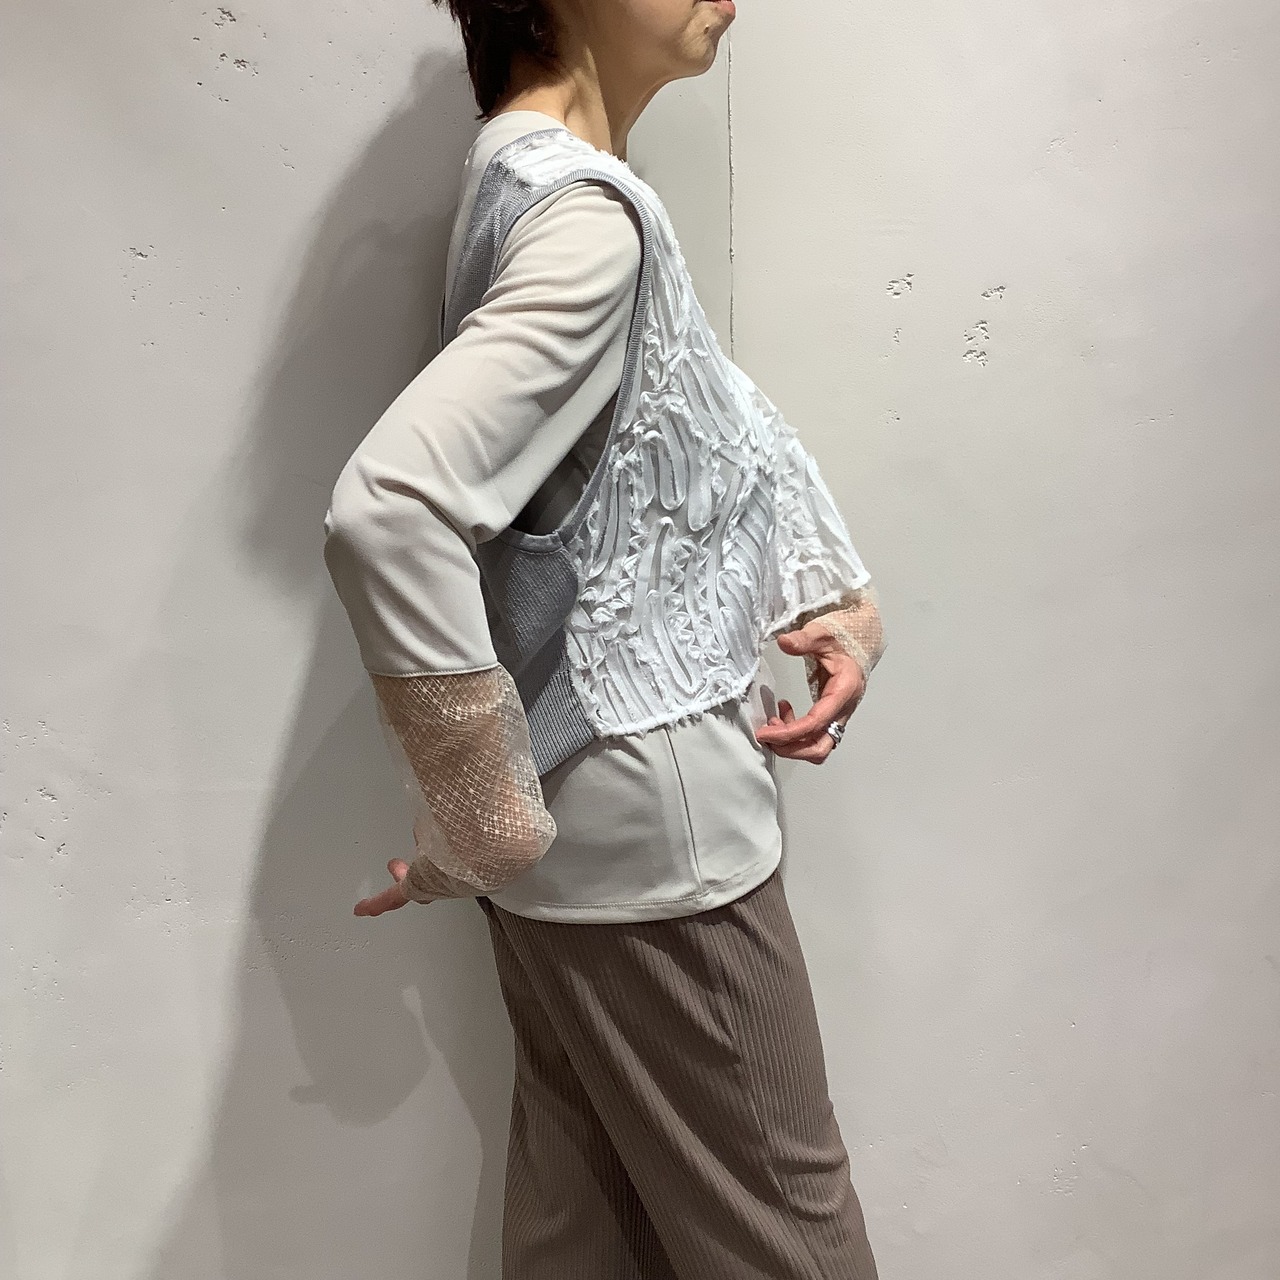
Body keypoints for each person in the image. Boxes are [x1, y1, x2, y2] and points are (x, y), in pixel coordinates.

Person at [322, 1, 887, 1276]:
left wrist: (830, 601)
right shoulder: (585, 217)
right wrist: (479, 816)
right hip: (661, 846)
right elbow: (390, 507)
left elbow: (649, 458)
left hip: (578, 832)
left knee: (582, 1239)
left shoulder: (518, 184)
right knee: (791, 1244)